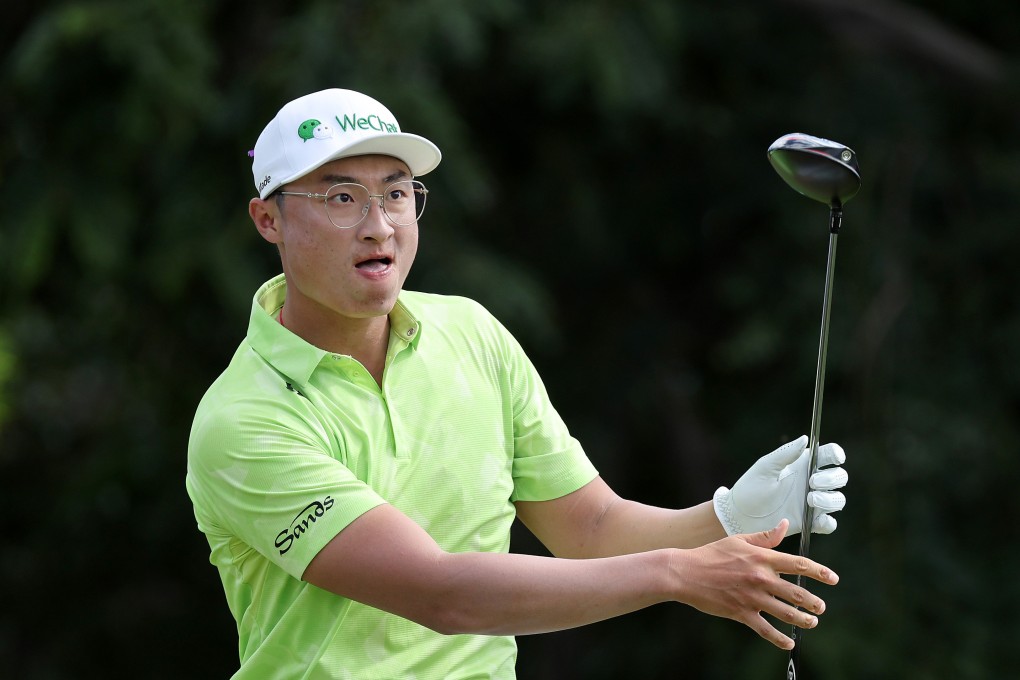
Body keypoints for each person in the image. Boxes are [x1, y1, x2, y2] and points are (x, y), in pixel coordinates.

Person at [186, 88, 848, 679]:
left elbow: (589, 526)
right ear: (268, 220)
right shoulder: (244, 419)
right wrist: (676, 573)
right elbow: (442, 593)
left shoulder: (471, 333)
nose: (379, 225)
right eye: (340, 197)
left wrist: (727, 519)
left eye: (395, 192)